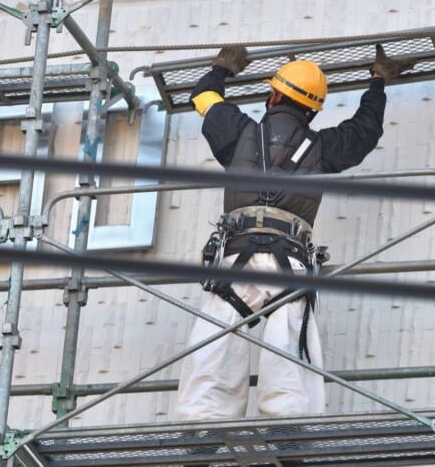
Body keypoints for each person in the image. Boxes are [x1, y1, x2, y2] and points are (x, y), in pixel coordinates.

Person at [175, 43, 416, 422]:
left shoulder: (237, 132)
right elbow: (365, 131)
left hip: (236, 258)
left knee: (217, 338)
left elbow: (203, 96)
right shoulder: (323, 147)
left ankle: (201, 424)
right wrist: (377, 81)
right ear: (313, 109)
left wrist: (224, 67)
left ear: (272, 95)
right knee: (287, 341)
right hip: (290, 260)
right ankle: (288, 425)